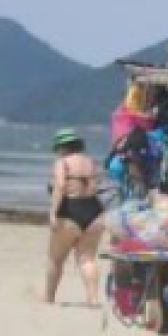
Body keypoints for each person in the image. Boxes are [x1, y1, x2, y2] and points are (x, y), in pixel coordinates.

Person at [44, 129, 104, 305]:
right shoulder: (90, 161)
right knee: (88, 258)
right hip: (94, 210)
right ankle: (93, 298)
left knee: (55, 259)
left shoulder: (62, 162)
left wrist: (53, 213)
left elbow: (60, 186)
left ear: (62, 147)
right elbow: (95, 187)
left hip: (70, 209)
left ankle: (49, 297)